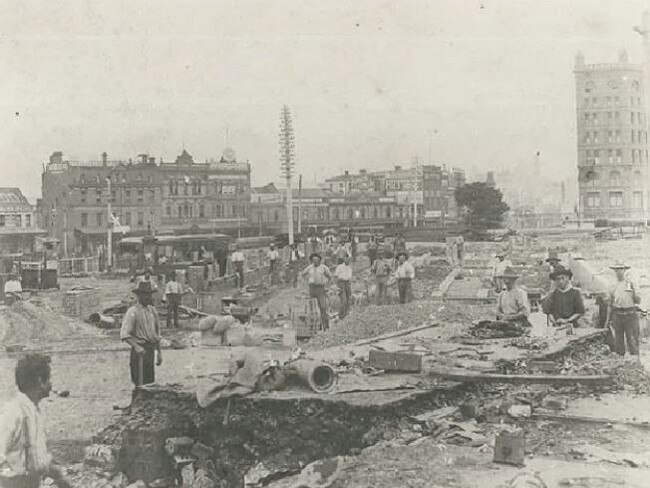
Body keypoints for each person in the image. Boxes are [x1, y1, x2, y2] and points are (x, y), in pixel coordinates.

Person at [0, 354, 72, 488]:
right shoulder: (13, 413)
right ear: (40, 381)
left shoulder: (34, 412)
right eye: (49, 379)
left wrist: (58, 477)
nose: (51, 385)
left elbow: (37, 458)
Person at [121, 281, 163, 386]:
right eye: (145, 295)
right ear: (139, 296)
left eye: (149, 294)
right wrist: (136, 346)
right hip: (139, 351)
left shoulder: (152, 311)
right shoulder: (132, 311)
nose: (148, 297)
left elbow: (156, 334)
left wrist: (159, 353)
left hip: (150, 350)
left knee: (150, 383)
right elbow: (125, 334)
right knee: (139, 384)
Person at [606, 262, 642, 356]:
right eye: (616, 269)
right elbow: (610, 304)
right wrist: (607, 320)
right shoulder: (612, 285)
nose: (619, 272)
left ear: (625, 270)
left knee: (632, 340)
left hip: (630, 314)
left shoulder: (631, 283)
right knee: (619, 341)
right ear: (614, 271)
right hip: (617, 315)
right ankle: (621, 365)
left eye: (621, 269)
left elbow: (638, 301)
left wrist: (633, 289)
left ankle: (636, 363)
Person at [544, 266, 585, 332]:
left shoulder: (575, 293)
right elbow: (549, 313)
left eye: (563, 278)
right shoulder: (552, 294)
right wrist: (555, 321)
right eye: (558, 279)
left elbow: (579, 312)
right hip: (557, 326)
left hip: (573, 326)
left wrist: (567, 320)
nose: (561, 281)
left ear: (568, 278)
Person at [301, 253, 332, 330]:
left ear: (319, 260)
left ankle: (325, 326)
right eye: (313, 260)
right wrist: (306, 282)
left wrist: (326, 285)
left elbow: (330, 277)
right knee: (312, 308)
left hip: (321, 288)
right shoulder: (309, 268)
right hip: (312, 289)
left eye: (317, 260)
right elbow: (302, 274)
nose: (315, 262)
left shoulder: (323, 268)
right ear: (312, 261)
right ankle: (315, 327)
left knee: (323, 307)